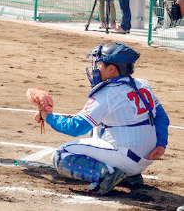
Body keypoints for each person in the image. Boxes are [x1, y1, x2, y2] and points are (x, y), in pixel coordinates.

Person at [35, 42, 169, 195]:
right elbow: (161, 117)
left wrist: (48, 117)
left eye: (99, 64)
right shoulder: (143, 84)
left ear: (111, 69)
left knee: (61, 155)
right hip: (146, 156)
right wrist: (161, 144)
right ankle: (130, 177)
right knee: (96, 125)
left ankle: (108, 174)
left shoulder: (106, 93)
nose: (95, 68)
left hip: (126, 157)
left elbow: (76, 127)